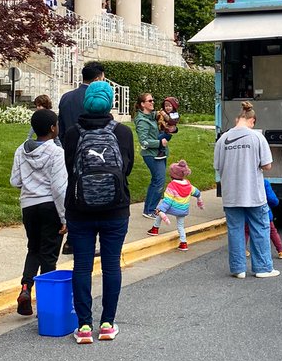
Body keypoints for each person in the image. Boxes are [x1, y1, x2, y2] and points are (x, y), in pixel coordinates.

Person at [63, 80, 134, 342]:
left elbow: (70, 167)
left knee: (81, 266)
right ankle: (107, 323)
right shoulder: (123, 133)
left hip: (79, 208)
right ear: (110, 103)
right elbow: (126, 169)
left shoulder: (72, 133)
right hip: (115, 209)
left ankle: (83, 326)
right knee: (111, 265)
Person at [10, 108, 68, 316]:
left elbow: (15, 180)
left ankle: (25, 288)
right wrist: (64, 217)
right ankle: (47, 303)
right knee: (49, 255)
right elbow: (59, 188)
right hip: (50, 206)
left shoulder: (21, 150)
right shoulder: (56, 152)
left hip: (28, 206)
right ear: (53, 128)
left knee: (33, 249)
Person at [213, 100, 277, 279]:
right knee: (260, 228)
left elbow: (217, 165)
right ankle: (263, 268)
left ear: (236, 119)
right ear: (252, 121)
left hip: (231, 193)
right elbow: (267, 165)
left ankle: (238, 269)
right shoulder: (257, 137)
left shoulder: (223, 139)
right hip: (253, 193)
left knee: (235, 230)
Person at [146, 158, 203, 250]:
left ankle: (155, 229)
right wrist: (199, 200)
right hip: (183, 210)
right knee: (180, 226)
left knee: (159, 210)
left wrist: (161, 210)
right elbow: (197, 192)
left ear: (172, 174)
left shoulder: (172, 186)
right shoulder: (188, 185)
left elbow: (167, 201)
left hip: (172, 208)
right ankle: (183, 243)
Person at [134, 92, 168, 218]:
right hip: (152, 154)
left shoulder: (151, 116)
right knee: (159, 181)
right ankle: (150, 210)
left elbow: (163, 116)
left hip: (159, 153)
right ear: (143, 104)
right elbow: (144, 141)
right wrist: (159, 142)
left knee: (156, 181)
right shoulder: (142, 121)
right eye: (150, 101)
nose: (153, 102)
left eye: (153, 100)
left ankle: (149, 209)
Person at [57, 61, 105, 141]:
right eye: (103, 79)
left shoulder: (65, 97)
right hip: (91, 146)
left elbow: (61, 128)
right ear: (97, 80)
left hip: (68, 146)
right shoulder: (97, 99)